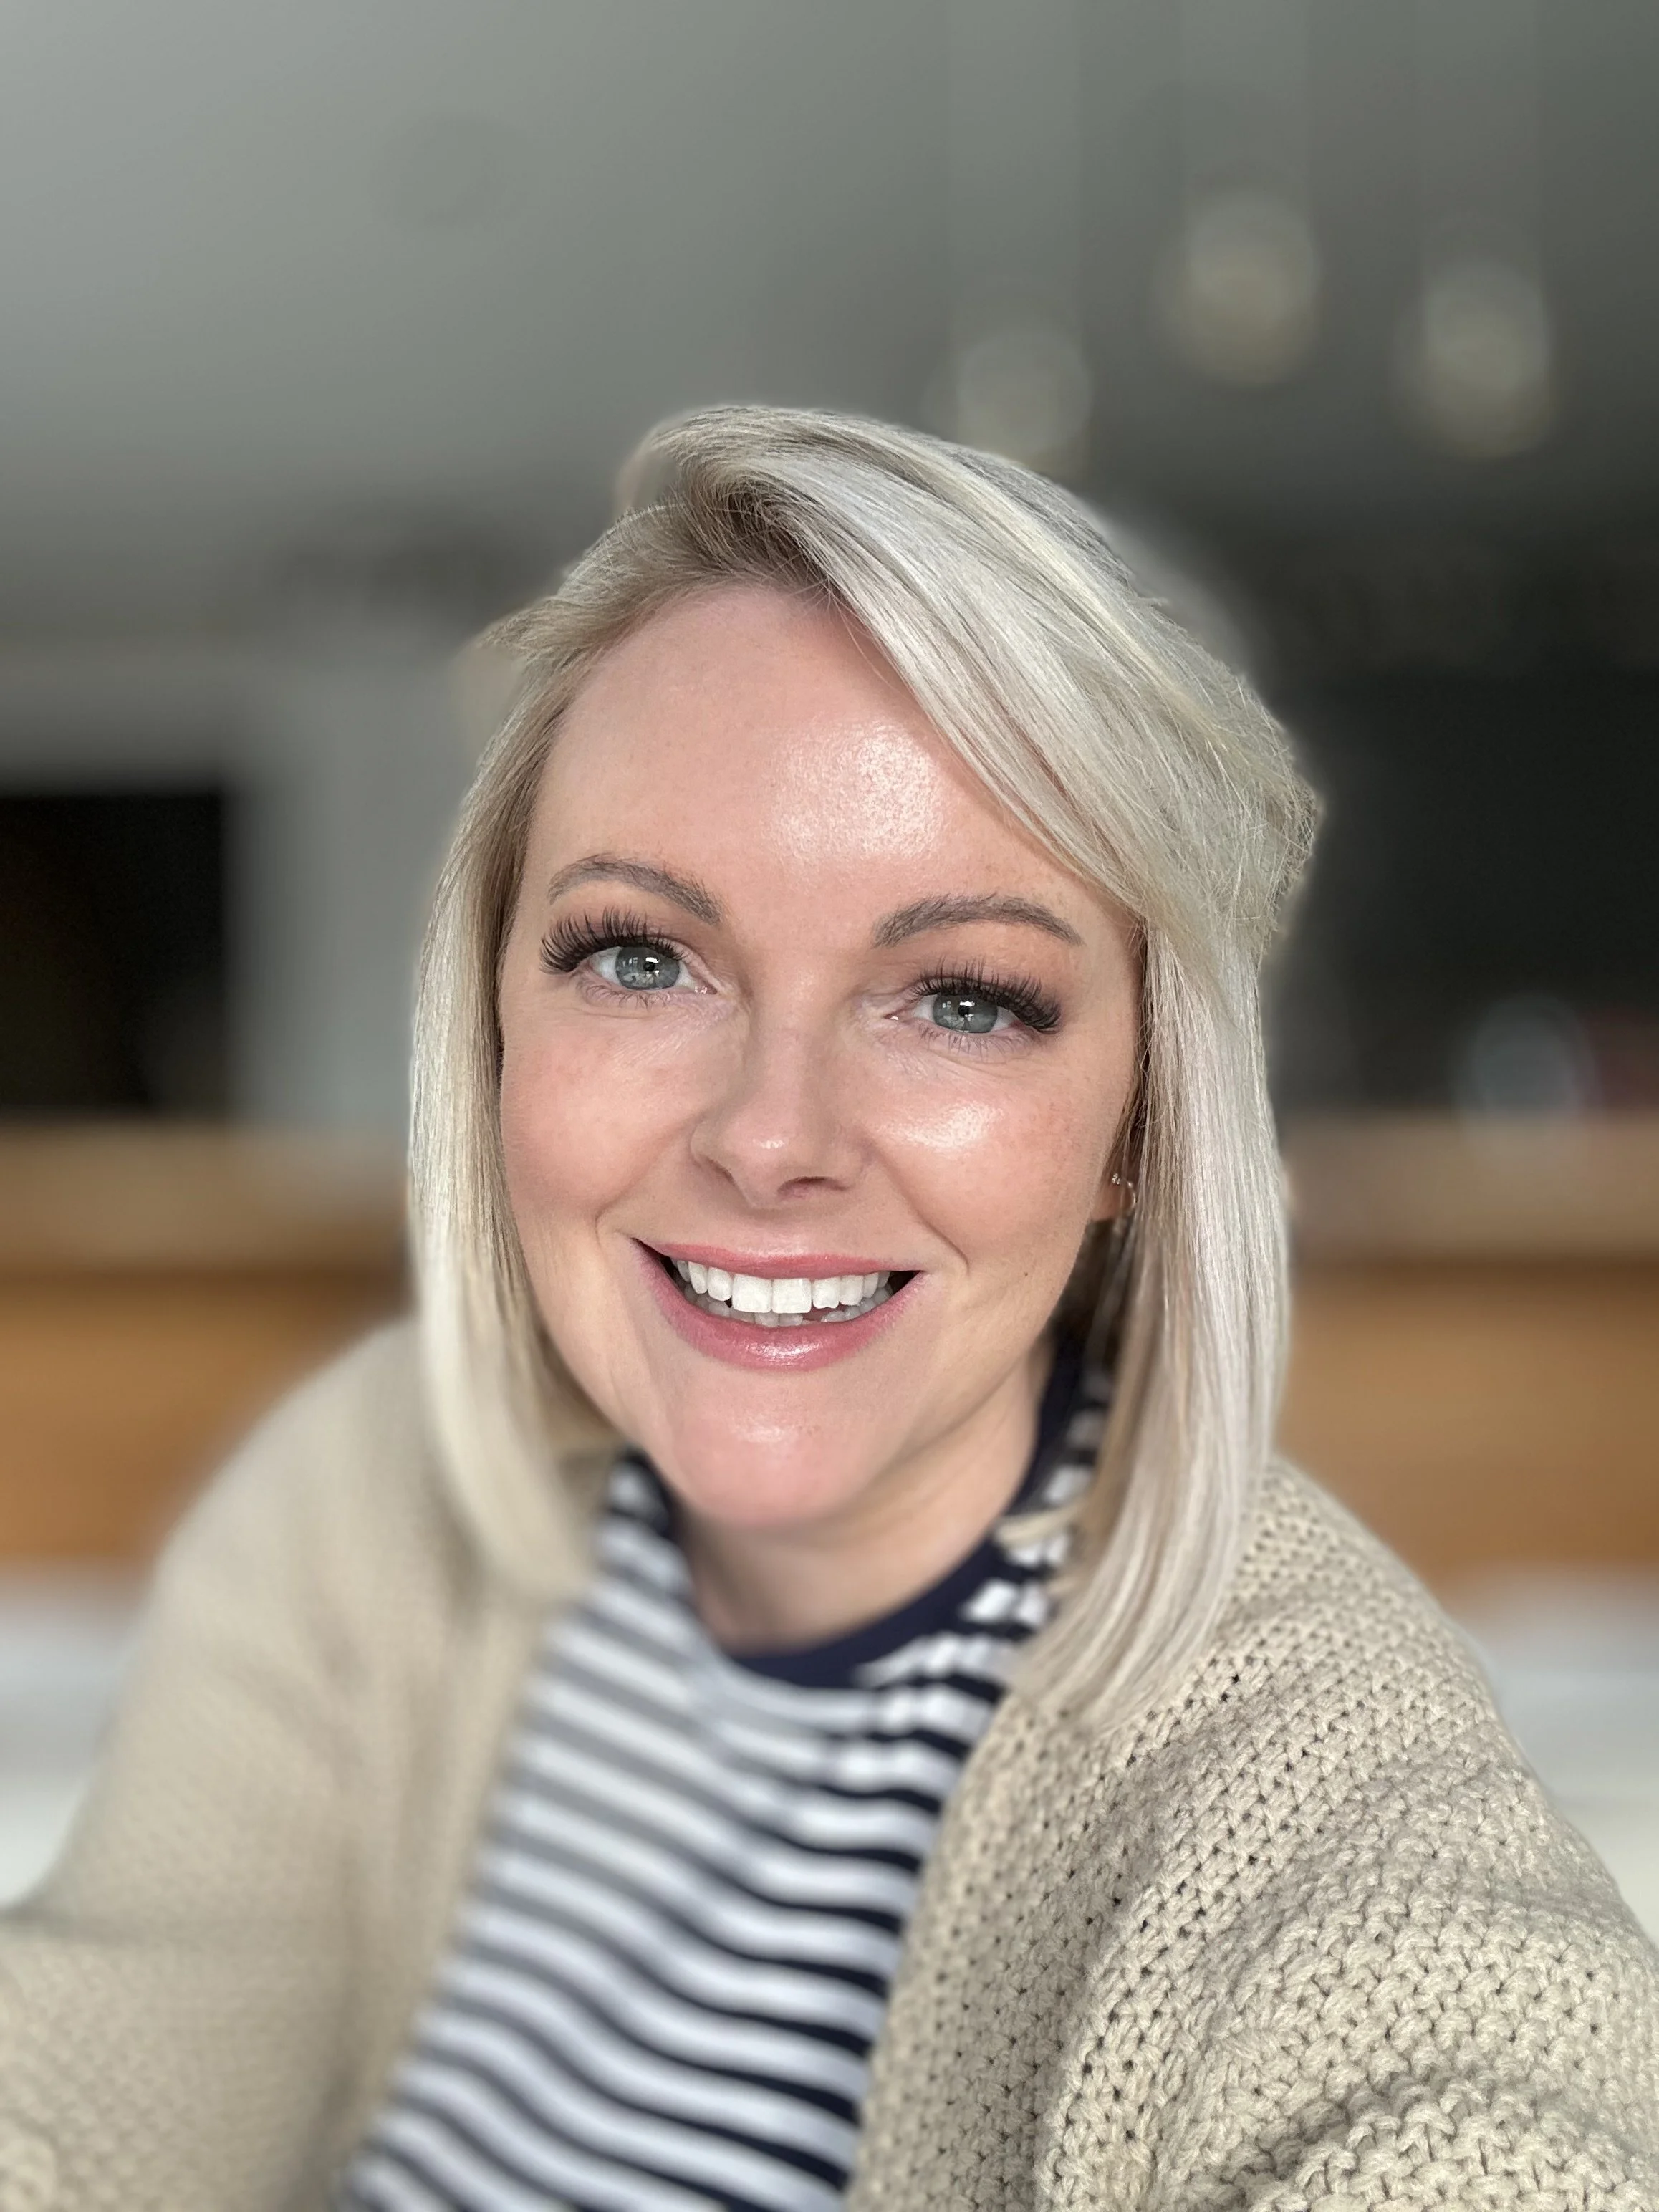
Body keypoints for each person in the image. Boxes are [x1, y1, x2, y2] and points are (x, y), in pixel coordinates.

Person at [3, 408, 1655, 2212]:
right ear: (491, 1027)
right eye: (638, 956)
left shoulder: (1304, 1759)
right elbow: (99, 2083)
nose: (770, 1141)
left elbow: (1469, 2085)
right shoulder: (368, 1503)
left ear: (1140, 1119)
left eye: (961, 995)